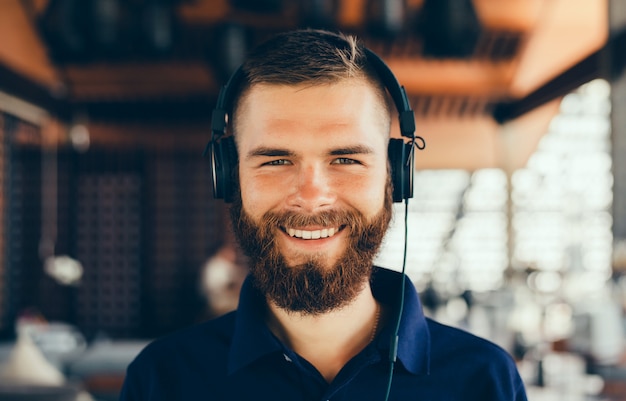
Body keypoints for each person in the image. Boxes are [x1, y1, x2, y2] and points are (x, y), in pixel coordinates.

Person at [119, 29, 528, 400]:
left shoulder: (484, 381)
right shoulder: (162, 380)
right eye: (276, 161)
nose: (312, 197)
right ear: (229, 178)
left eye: (346, 159)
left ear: (394, 176)